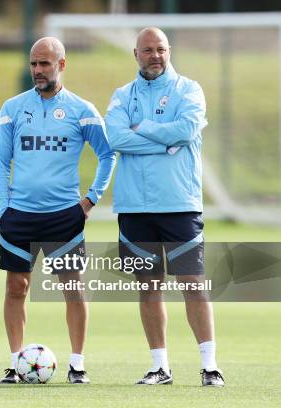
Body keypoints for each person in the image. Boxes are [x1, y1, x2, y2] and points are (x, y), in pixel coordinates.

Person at [105, 27, 224, 387]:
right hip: (134, 207)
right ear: (136, 55)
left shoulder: (189, 89)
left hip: (179, 204)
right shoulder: (123, 95)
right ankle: (160, 367)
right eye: (147, 50)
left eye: (160, 49)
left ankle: (209, 366)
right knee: (148, 286)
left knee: (193, 283)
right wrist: (163, 139)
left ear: (169, 51)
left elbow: (187, 130)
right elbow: (115, 136)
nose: (155, 55)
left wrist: (142, 129)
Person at [0, 37, 116, 384]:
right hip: (19, 215)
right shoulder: (12, 109)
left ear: (61, 65)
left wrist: (90, 200)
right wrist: (4, 209)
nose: (37, 70)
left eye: (44, 64)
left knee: (72, 287)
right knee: (16, 286)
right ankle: (16, 363)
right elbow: (2, 163)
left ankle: (77, 364)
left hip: (65, 216)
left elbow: (108, 155)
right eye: (33, 63)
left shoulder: (82, 110)